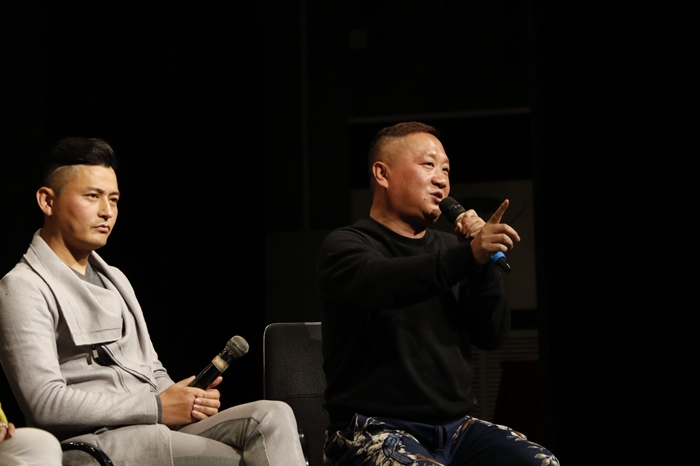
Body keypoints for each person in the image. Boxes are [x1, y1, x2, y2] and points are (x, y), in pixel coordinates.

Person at [0, 137, 306, 466]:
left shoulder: (115, 278)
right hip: (99, 441)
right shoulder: (23, 287)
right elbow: (44, 403)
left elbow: (151, 369)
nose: (106, 211)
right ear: (47, 201)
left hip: (153, 427)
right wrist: (157, 407)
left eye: (113, 199)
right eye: (92, 196)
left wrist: (184, 398)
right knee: (239, 459)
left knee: (272, 416)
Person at [317, 122, 558, 465]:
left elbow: (490, 335)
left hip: (456, 430)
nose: (441, 180)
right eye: (428, 165)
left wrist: (482, 268)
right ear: (382, 174)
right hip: (371, 429)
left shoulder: (452, 251)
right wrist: (467, 257)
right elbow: (385, 283)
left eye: (445, 169)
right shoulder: (346, 245)